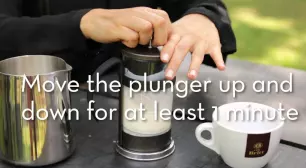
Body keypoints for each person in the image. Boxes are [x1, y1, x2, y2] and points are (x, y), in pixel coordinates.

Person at [0, 0, 236, 83]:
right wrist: (81, 24)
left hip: (133, 99)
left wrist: (204, 16)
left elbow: (205, 3)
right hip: (38, 105)